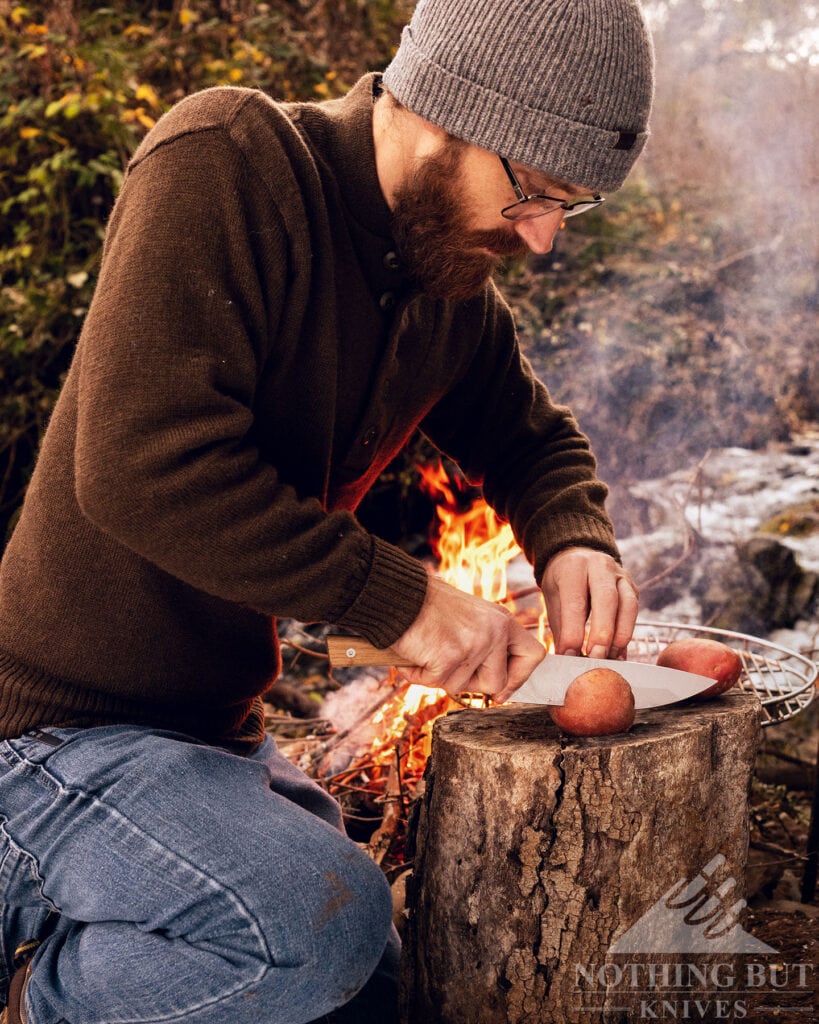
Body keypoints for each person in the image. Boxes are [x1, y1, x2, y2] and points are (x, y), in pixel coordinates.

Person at [0, 0, 654, 1021]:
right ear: (447, 109)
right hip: (50, 739)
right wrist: (405, 603)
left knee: (373, 984)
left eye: (573, 209)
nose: (543, 240)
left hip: (207, 736)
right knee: (321, 930)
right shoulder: (227, 160)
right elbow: (140, 465)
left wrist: (576, 534)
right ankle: (48, 991)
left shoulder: (450, 288)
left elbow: (535, 442)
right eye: (536, 194)